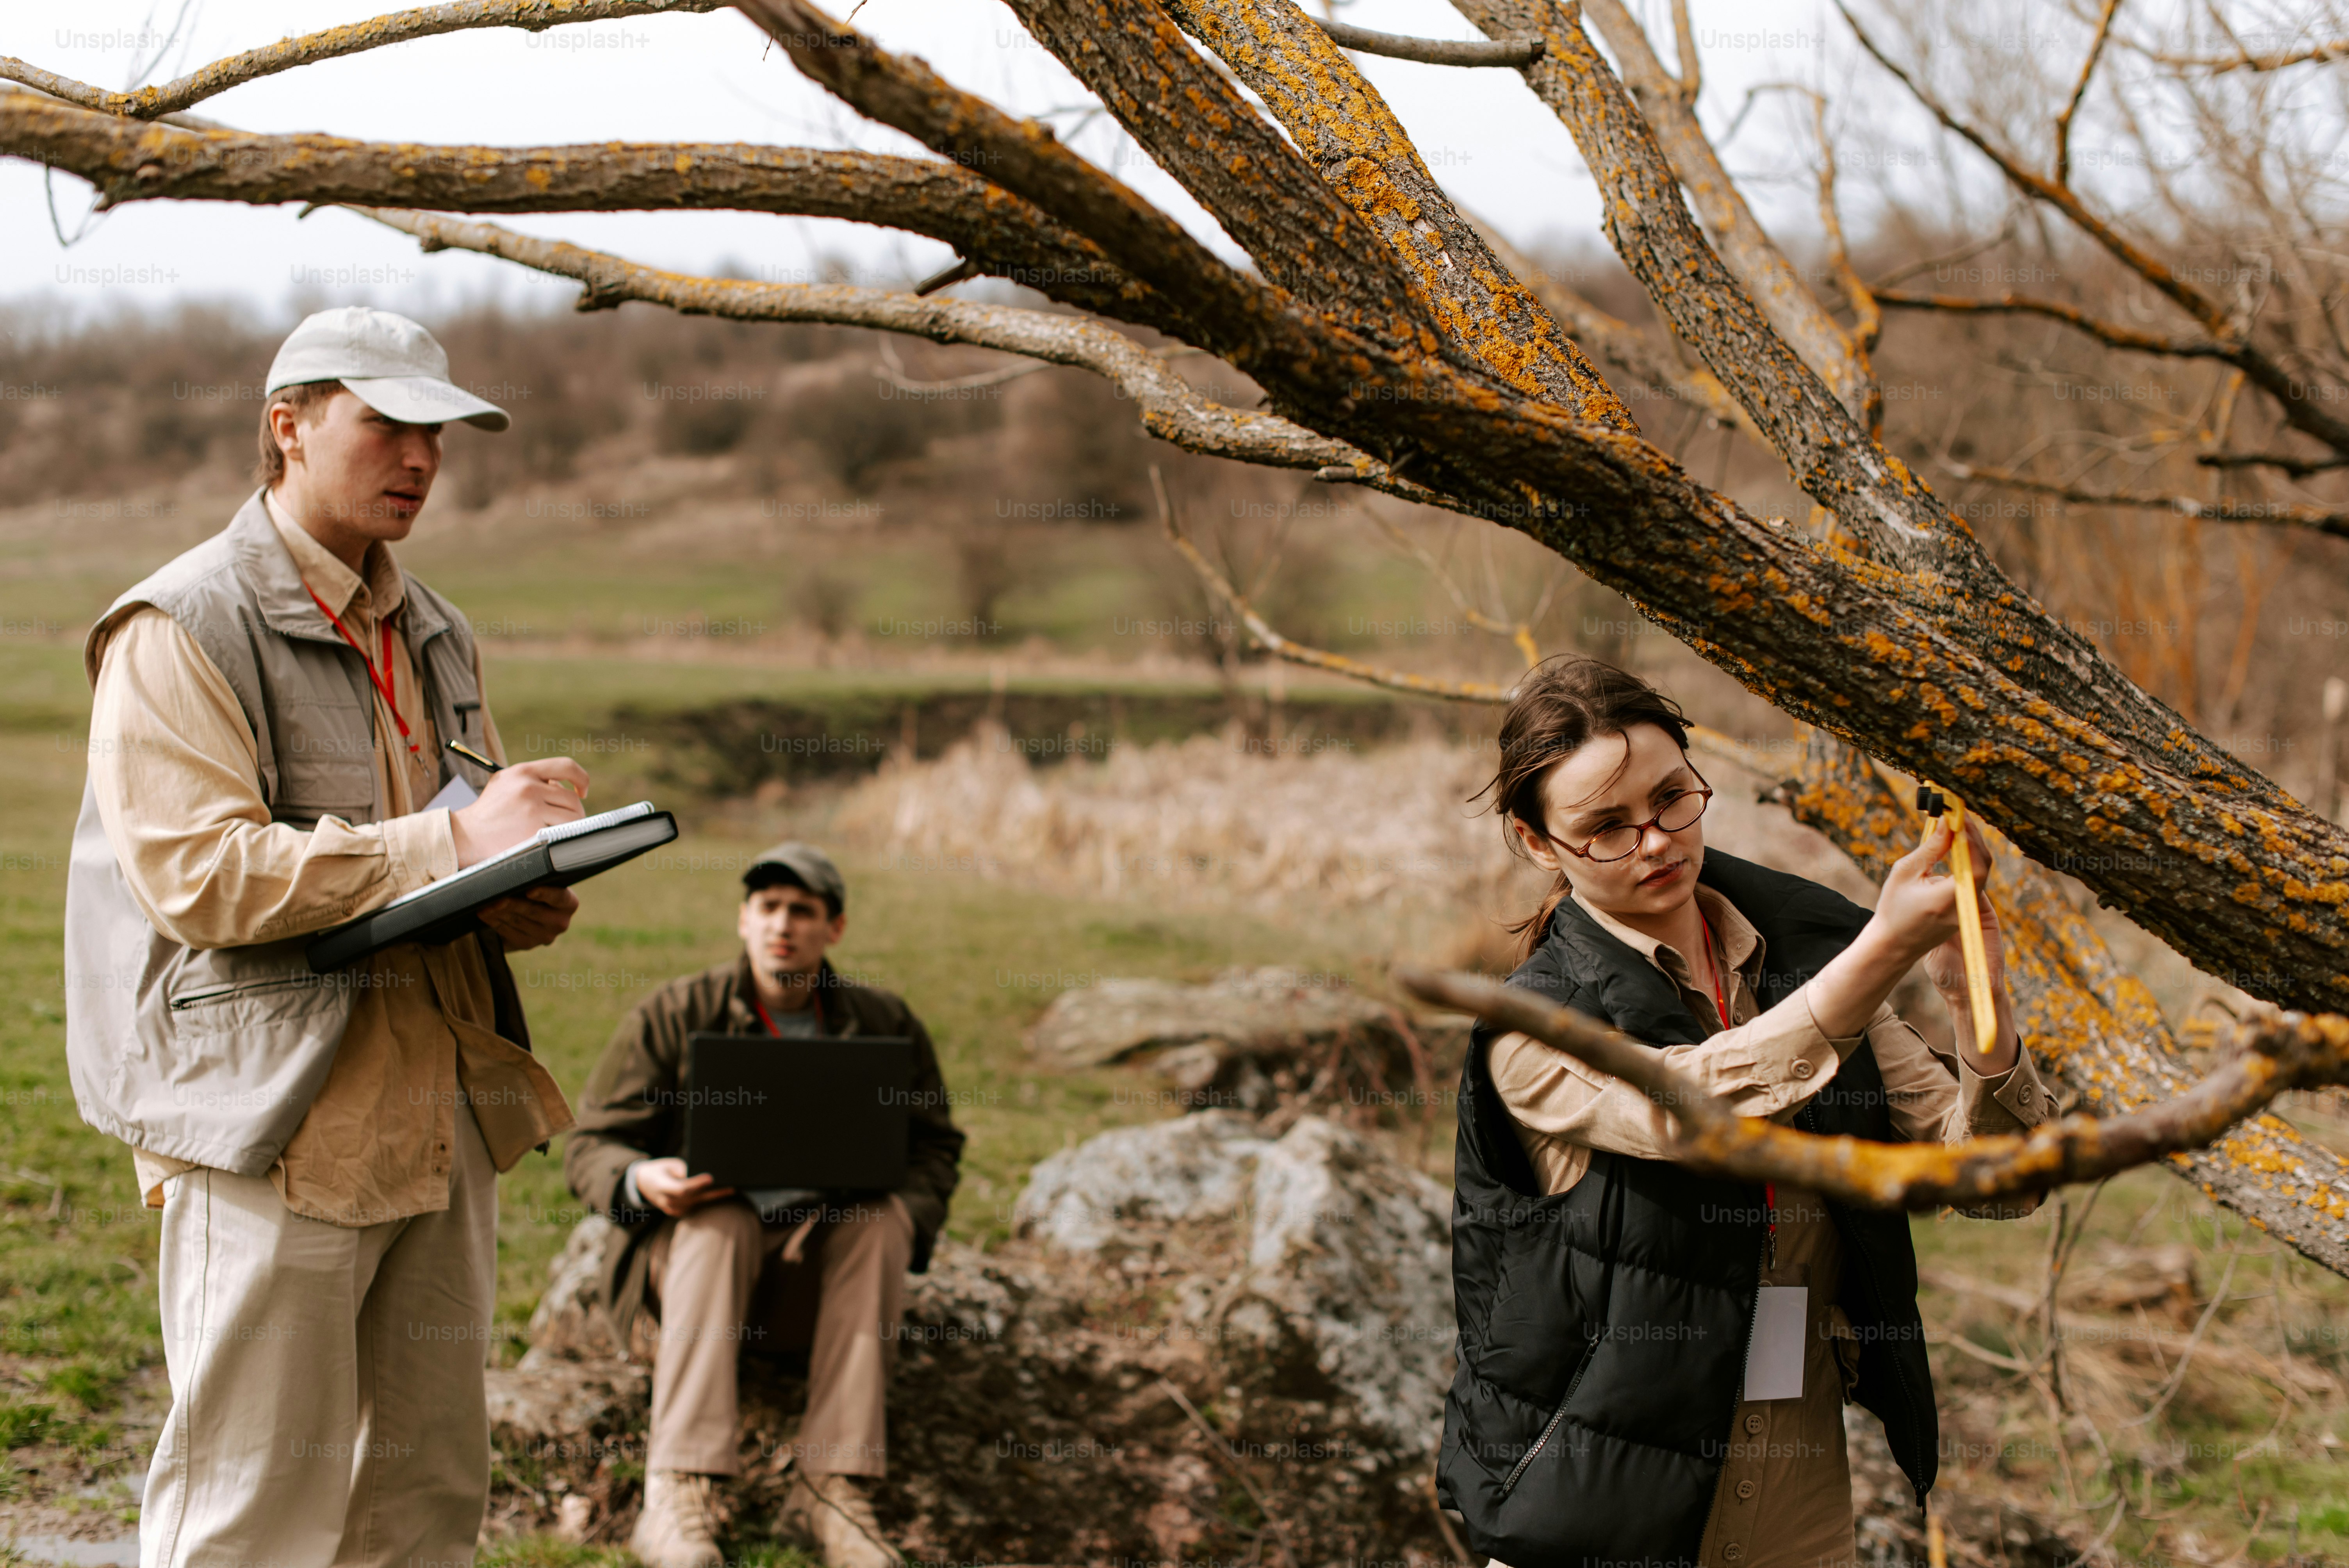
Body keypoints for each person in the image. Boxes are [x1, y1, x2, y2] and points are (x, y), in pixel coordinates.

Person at [62, 306, 592, 1566]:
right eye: (388, 423)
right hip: (271, 1121)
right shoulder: (178, 623)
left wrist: (517, 889)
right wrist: (451, 849)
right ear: (286, 427)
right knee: (249, 1514)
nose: (420, 458)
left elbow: (445, 835)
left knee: (422, 1505)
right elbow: (200, 877)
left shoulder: (437, 629)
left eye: (439, 432)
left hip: (439, 1102)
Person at [1437, 656, 2061, 1568]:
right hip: (1587, 1498)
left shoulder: (1809, 946)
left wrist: (1979, 1007)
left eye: (1669, 799)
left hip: (1790, 1457)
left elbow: (1998, 1186)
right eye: (1605, 828)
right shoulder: (1526, 1032)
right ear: (1538, 845)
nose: (1654, 842)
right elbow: (1692, 1106)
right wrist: (1881, 949)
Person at [565, 841, 965, 1568]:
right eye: (769, 907)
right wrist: (643, 1178)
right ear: (744, 919)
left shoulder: (885, 1023)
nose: (784, 924)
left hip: (820, 1273)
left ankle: (831, 1490)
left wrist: (911, 1212)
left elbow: (934, 1148)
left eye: (803, 912)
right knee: (722, 1216)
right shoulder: (675, 1013)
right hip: (692, 1268)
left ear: (834, 929)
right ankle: (677, 1490)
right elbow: (592, 1145)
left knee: (881, 1222)